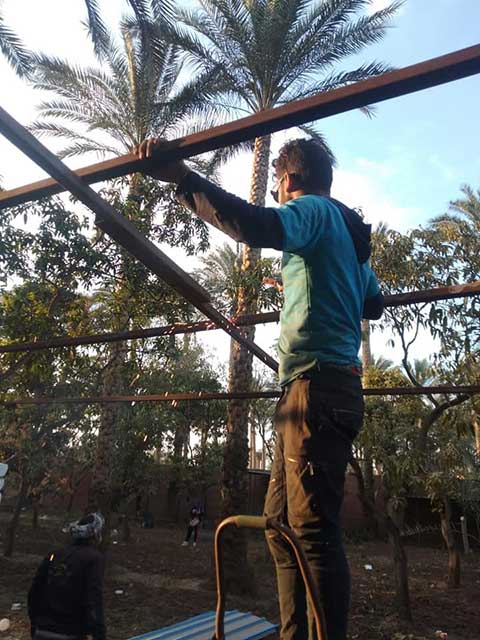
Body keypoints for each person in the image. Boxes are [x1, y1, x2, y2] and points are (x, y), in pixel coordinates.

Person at [136, 137, 384, 640]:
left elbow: (257, 226)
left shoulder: (312, 210)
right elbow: (373, 304)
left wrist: (183, 180)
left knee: (311, 533)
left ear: (290, 181)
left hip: (316, 389)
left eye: (277, 186)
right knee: (280, 526)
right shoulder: (351, 243)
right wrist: (305, 279)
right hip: (321, 390)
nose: (277, 194)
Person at [28, 513, 106, 640]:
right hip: (70, 633)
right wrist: (99, 635)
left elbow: (34, 591)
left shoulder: (54, 555)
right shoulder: (94, 559)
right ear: (95, 534)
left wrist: (35, 624)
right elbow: (93, 600)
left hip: (42, 631)